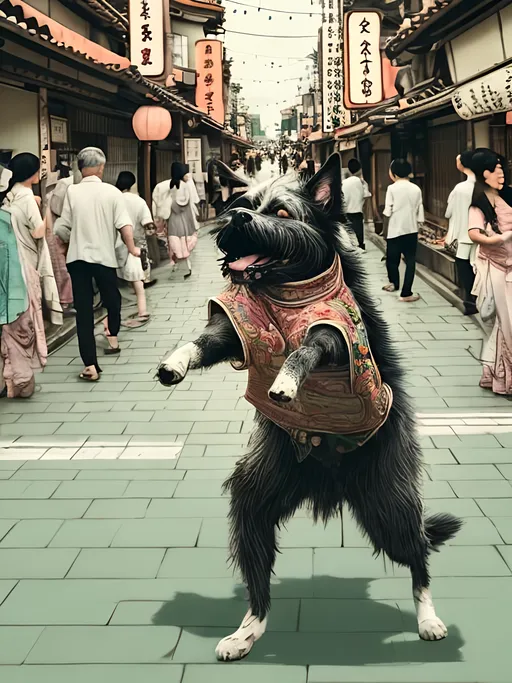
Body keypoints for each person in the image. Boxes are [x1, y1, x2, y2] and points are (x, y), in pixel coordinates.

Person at [54, 147, 139, 382]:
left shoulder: (72, 191)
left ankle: (90, 365)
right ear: (101, 167)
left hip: (78, 259)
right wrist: (132, 248)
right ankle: (112, 331)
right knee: (113, 299)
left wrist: (66, 243)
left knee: (83, 312)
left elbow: (63, 226)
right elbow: (124, 225)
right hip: (104, 259)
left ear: (81, 168)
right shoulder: (112, 192)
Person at [0, 153, 62, 398]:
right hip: (26, 268)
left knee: (9, 326)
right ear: (32, 173)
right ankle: (22, 381)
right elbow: (38, 232)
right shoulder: (26, 197)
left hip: (9, 266)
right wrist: (44, 210)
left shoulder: (9, 195)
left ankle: (9, 381)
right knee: (26, 324)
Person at [468, 150, 512, 395]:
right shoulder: (479, 203)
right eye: (495, 169)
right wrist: (499, 238)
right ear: (483, 174)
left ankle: (494, 373)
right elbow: (473, 232)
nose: (501, 173)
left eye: (502, 168)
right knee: (507, 323)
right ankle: (503, 377)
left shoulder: (508, 195)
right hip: (498, 267)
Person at [115, 171, 156, 327]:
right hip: (136, 244)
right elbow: (148, 224)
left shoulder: (114, 199)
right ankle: (141, 310)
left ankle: (123, 311)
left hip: (115, 244)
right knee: (137, 278)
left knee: (119, 280)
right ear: (132, 184)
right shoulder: (138, 201)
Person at [382, 158, 424, 303]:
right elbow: (420, 211)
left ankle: (394, 284)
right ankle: (406, 293)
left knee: (392, 259)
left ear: (393, 173)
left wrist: (384, 229)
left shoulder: (392, 188)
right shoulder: (416, 189)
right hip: (411, 230)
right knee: (410, 261)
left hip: (395, 229)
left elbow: (387, 211)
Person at [445, 151, 478, 315]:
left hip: (465, 234)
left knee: (463, 264)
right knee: (477, 265)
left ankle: (470, 300)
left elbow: (448, 212)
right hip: (483, 234)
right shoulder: (482, 186)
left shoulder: (460, 188)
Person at [45, 160, 74, 313]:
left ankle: (66, 300)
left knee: (62, 268)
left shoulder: (62, 186)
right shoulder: (66, 185)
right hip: (58, 231)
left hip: (60, 230)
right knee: (62, 268)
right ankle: (65, 301)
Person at [167, 162, 200, 278]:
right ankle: (185, 267)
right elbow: (185, 202)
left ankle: (176, 263)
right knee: (184, 239)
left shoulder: (169, 185)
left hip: (172, 217)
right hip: (183, 216)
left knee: (174, 239)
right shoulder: (184, 185)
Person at [343, 158, 369, 250]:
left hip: (346, 210)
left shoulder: (344, 182)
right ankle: (361, 245)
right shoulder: (361, 182)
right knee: (359, 229)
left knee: (347, 231)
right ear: (359, 169)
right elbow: (366, 195)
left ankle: (349, 246)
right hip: (357, 209)